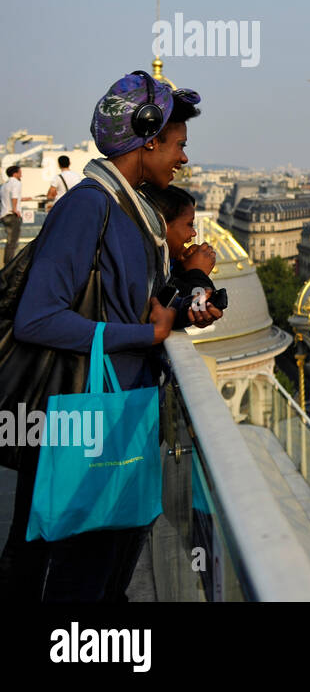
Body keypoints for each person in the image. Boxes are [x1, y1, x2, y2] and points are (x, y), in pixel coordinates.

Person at [0, 71, 222, 602]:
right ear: (147, 141)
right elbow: (37, 317)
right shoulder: (89, 206)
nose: (183, 159)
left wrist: (186, 306)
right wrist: (145, 334)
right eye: (177, 146)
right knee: (83, 568)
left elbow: (131, 299)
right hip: (86, 414)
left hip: (111, 410)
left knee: (92, 561)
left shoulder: (132, 209)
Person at [138, 183, 219, 305]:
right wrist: (197, 274)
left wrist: (182, 269)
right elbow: (198, 309)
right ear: (161, 225)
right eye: (189, 224)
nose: (194, 233)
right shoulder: (144, 275)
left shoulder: (154, 266)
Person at [0, 165, 21, 266]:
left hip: (4, 215)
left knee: (9, 242)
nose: (21, 174)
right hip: (12, 215)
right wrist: (15, 209)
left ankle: (6, 263)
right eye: (20, 172)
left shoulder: (5, 185)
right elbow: (14, 196)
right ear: (15, 173)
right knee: (13, 243)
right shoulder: (16, 183)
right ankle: (9, 265)